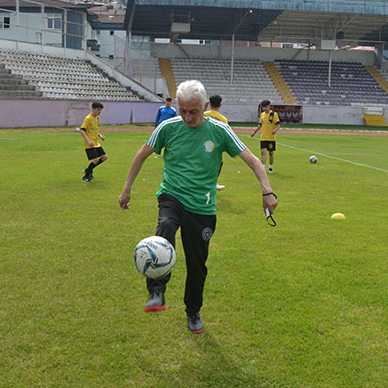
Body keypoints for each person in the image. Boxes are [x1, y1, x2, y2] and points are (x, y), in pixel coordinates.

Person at [118, 80, 278, 334]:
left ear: (204, 106)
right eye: (183, 111)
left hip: (202, 207)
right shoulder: (168, 128)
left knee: (197, 264)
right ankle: (156, 290)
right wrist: (127, 189)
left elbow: (253, 161)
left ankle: (193, 311)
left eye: (193, 111)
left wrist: (267, 191)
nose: (187, 117)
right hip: (171, 195)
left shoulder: (220, 131)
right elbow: (141, 155)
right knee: (166, 226)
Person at [204, 94, 228, 190]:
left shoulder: (204, 115)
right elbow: (224, 135)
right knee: (217, 163)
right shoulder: (223, 119)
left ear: (209, 104)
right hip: (216, 146)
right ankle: (213, 182)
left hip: (202, 143)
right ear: (220, 105)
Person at [79, 102, 107, 183]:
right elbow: (82, 130)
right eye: (98, 110)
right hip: (90, 144)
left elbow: (95, 129)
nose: (99, 112)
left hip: (96, 143)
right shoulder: (88, 118)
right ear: (93, 109)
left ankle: (88, 170)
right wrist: (88, 140)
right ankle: (86, 177)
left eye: (100, 110)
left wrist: (100, 135)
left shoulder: (97, 118)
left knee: (104, 157)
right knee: (95, 160)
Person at [251, 100, 281, 173]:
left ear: (268, 106)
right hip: (263, 137)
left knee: (270, 153)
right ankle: (263, 168)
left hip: (271, 138)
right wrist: (254, 132)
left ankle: (270, 167)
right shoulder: (262, 115)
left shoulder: (274, 114)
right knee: (263, 152)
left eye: (265, 107)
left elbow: (278, 125)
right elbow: (260, 125)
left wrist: (275, 130)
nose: (264, 108)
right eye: (263, 107)